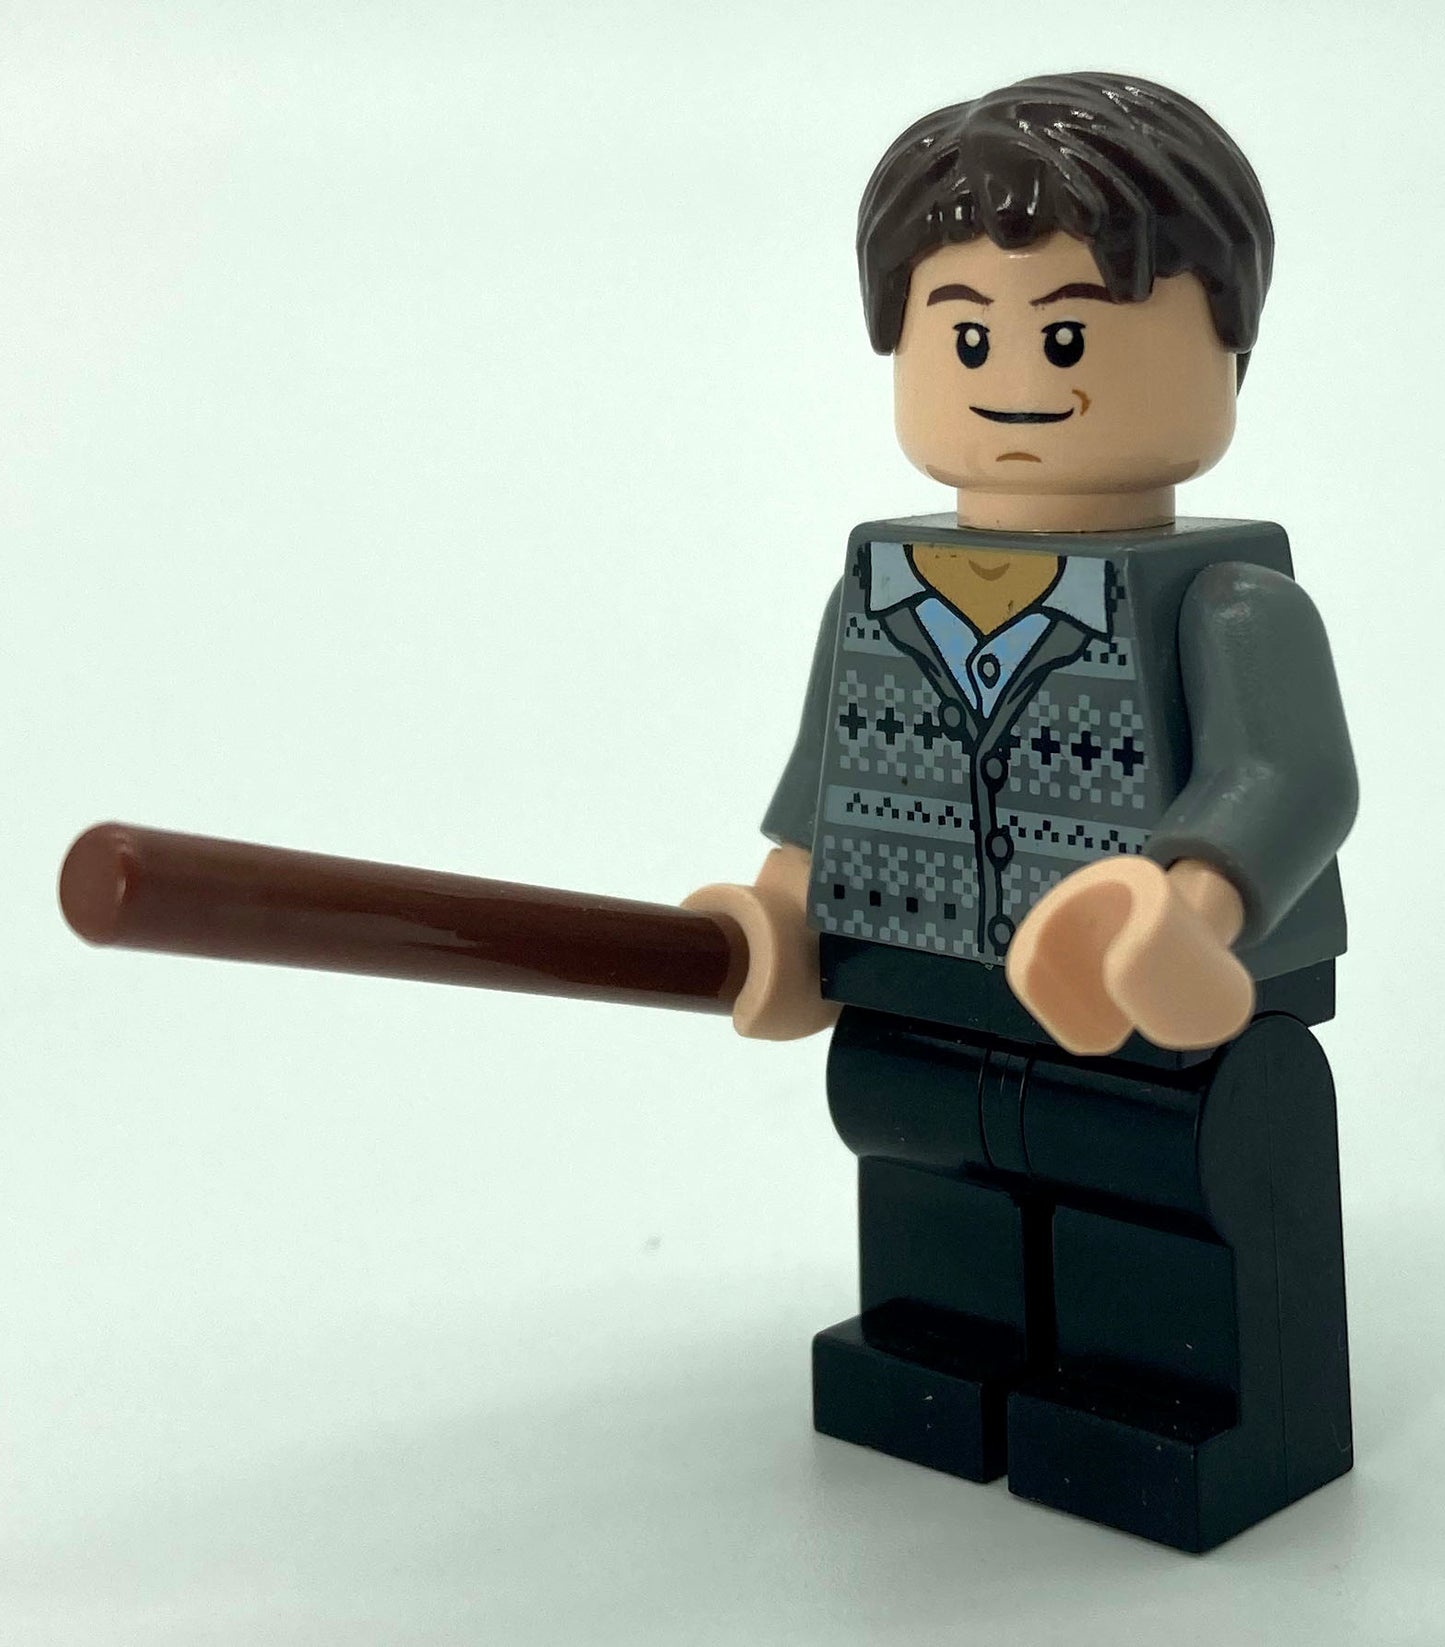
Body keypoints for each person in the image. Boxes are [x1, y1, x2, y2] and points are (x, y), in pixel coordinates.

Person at [685, 72, 1357, 1552]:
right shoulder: (878, 591)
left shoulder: (1230, 600)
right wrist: (782, 915)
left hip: (1155, 1016)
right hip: (920, 981)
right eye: (964, 334)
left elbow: (1295, 780)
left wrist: (1190, 911)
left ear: (1225, 345)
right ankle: (947, 1350)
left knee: (1155, 1189)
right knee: (929, 1165)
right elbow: (823, 786)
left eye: (1066, 335)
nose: (1015, 377)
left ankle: (1155, 1397)